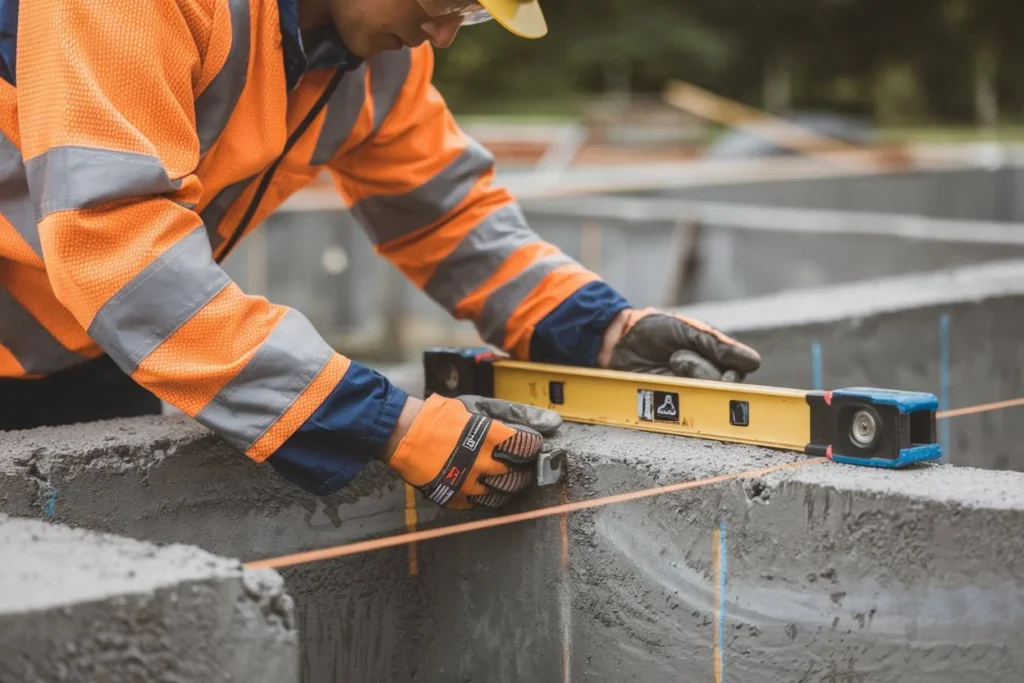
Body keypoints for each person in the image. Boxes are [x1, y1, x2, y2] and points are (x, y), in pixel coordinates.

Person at [0, 0, 761, 509]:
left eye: (471, 14)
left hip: (89, 351)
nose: (445, 34)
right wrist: (385, 424)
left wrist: (601, 330)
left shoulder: (368, 59)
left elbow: (446, 213)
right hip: (88, 318)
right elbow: (114, 236)